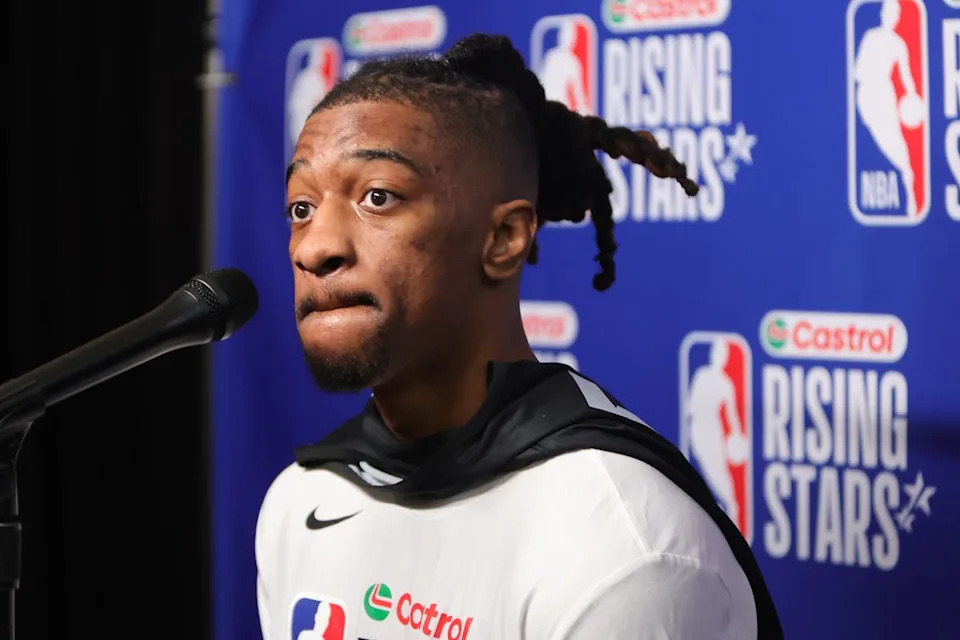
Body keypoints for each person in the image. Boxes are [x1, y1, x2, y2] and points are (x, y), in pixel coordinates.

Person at [257, 34, 782, 639]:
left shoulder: (621, 547)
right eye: (301, 208)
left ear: (504, 239)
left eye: (378, 197)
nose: (316, 246)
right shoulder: (299, 502)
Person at [854, 0, 922, 215]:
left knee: (896, 145)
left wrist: (912, 96)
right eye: (887, 12)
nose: (889, 16)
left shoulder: (899, 44)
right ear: (882, 14)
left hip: (885, 94)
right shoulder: (871, 37)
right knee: (875, 141)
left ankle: (910, 191)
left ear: (897, 17)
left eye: (894, 13)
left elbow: (906, 76)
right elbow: (858, 71)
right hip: (866, 96)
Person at [686, 339, 749, 528]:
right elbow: (689, 407)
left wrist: (737, 436)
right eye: (716, 353)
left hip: (713, 435)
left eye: (722, 355)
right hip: (697, 433)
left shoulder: (725, 383)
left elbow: (732, 416)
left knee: (720, 479)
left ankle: (731, 514)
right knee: (699, 480)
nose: (718, 357)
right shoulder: (702, 375)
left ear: (725, 359)